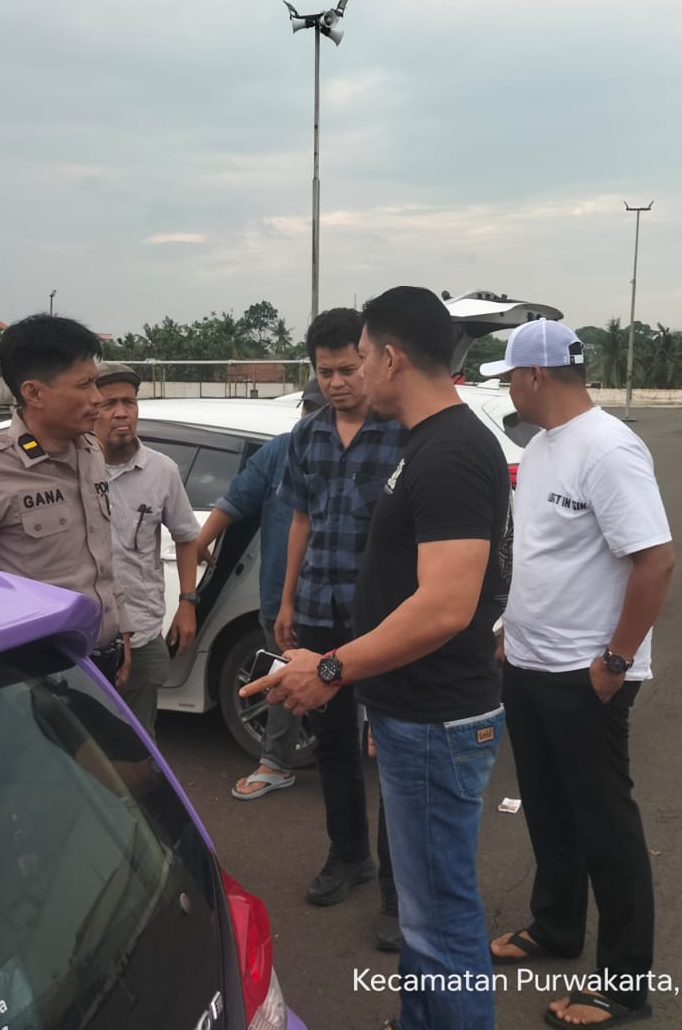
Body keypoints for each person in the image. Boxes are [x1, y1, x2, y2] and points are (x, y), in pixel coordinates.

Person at [245, 286, 512, 1030]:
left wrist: (331, 668)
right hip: (414, 713)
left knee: (441, 917)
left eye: (361, 357)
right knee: (425, 914)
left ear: (391, 359)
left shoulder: (450, 451)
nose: (353, 373)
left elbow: (445, 605)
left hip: (435, 720)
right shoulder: (427, 441)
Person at [481, 319, 676, 1029]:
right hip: (529, 662)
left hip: (586, 674)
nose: (508, 388)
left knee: (605, 825)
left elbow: (655, 560)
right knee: (548, 808)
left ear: (535, 375)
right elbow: (538, 554)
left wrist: (616, 660)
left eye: (510, 376)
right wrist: (510, 633)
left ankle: (624, 985)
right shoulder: (539, 450)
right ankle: (556, 926)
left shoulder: (609, 448)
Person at [275, 308, 406, 944]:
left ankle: (399, 893)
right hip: (319, 610)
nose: (336, 382)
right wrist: (287, 601)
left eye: (348, 369)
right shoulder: (307, 436)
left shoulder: (403, 432)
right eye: (324, 372)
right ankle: (348, 855)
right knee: (333, 746)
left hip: (382, 620)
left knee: (395, 748)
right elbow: (301, 518)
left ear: (371, 360)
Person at [0, 314, 127, 686]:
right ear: (34, 393)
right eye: (85, 385)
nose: (98, 398)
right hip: (38, 676)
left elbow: (101, 560)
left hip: (103, 659)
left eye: (95, 382)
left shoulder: (90, 451)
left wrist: (121, 633)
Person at [194, 380, 326, 801]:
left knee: (347, 681)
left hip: (338, 600)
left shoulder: (354, 452)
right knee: (282, 681)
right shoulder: (280, 450)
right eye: (309, 409)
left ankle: (347, 759)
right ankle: (275, 763)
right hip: (280, 600)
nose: (313, 419)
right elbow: (234, 501)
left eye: (323, 411)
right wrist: (196, 545)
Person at [93, 361, 200, 736]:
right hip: (84, 636)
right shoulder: (70, 469)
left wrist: (187, 602)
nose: (121, 413)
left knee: (137, 740)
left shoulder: (162, 471)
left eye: (129, 402)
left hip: (141, 631)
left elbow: (186, 537)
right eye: (109, 403)